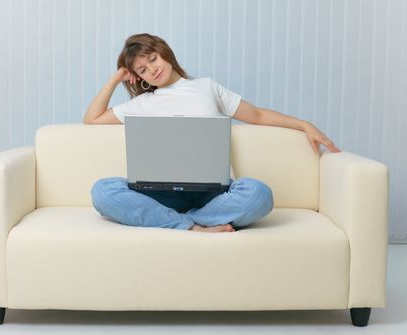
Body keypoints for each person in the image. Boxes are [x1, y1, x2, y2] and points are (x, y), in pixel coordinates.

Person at [83, 33, 340, 233]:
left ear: (164, 52)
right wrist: (116, 78)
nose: (152, 69)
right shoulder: (141, 104)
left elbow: (258, 115)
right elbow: (92, 119)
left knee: (258, 193)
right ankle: (191, 226)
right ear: (139, 78)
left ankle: (185, 222)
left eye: (153, 59)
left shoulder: (206, 87)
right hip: (161, 193)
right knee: (102, 191)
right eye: (142, 70)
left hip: (214, 194)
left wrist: (304, 124)